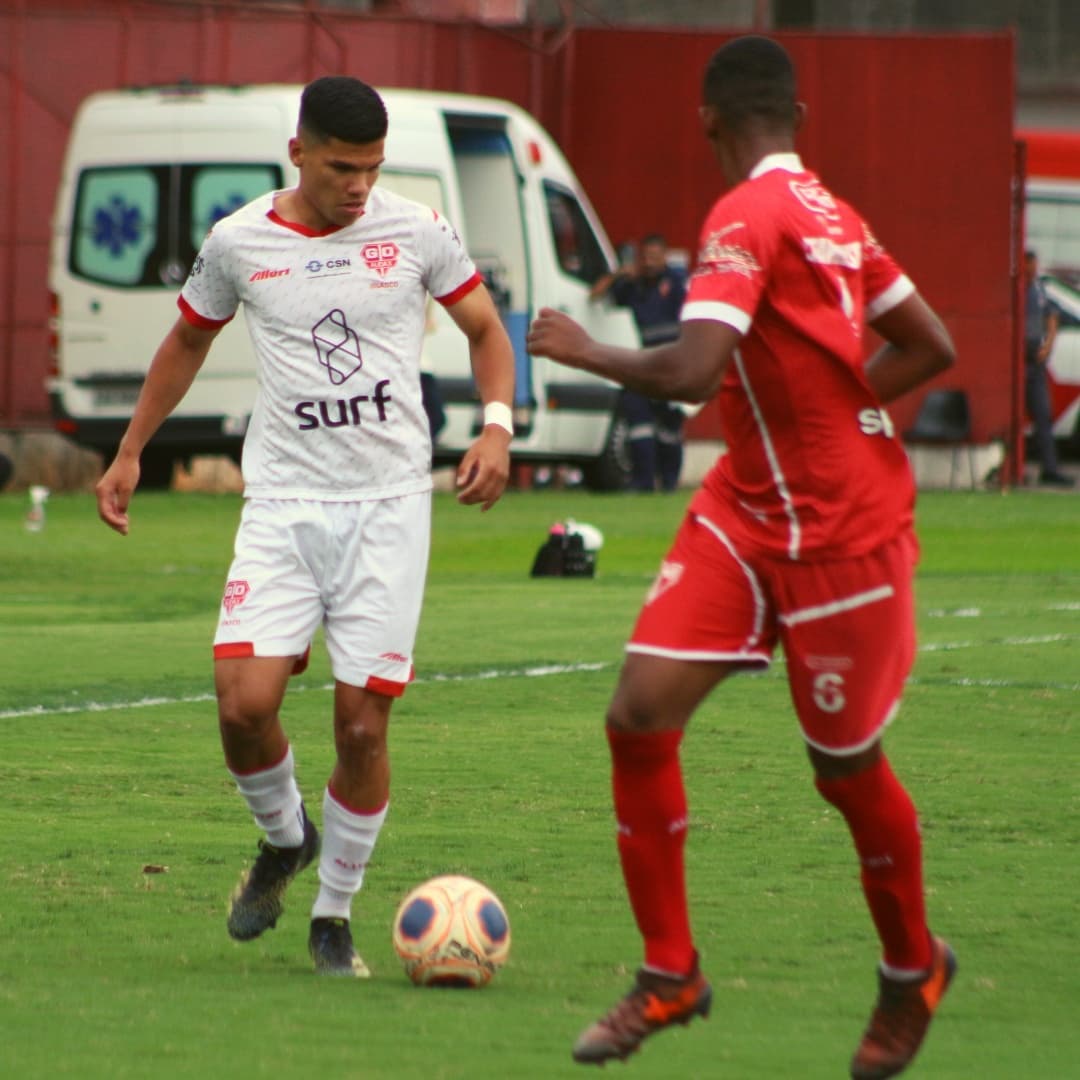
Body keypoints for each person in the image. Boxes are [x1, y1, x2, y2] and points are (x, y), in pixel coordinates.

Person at [527, 36, 957, 1077]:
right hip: (744, 511)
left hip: (841, 535)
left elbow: (689, 370)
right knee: (637, 715)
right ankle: (670, 973)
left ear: (709, 123)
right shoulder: (835, 217)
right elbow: (931, 346)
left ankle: (913, 969)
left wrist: (584, 349)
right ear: (798, 116)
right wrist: (832, 406)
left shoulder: (743, 215)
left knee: (843, 767)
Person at [96, 76, 515, 976]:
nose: (359, 185)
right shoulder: (239, 242)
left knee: (362, 728)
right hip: (283, 503)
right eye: (339, 167)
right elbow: (185, 343)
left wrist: (495, 425)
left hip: (389, 506)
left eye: (370, 167)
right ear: (298, 152)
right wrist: (132, 449)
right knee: (243, 705)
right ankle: (286, 839)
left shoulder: (416, 233)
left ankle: (333, 916)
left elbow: (485, 328)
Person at [591, 235, 688, 491]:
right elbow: (595, 296)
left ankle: (668, 484)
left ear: (665, 257)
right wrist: (620, 274)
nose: (649, 262)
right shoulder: (633, 286)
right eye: (645, 257)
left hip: (673, 360)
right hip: (643, 361)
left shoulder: (677, 283)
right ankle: (642, 483)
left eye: (655, 257)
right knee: (638, 420)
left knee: (669, 426)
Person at [1022, 249, 1073, 486]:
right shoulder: (1015, 290)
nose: (1032, 268)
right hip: (1017, 360)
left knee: (1043, 415)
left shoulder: (1039, 289)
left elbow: (1053, 315)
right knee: (1012, 417)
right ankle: (1013, 466)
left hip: (1035, 359)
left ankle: (1049, 468)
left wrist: (1048, 344)